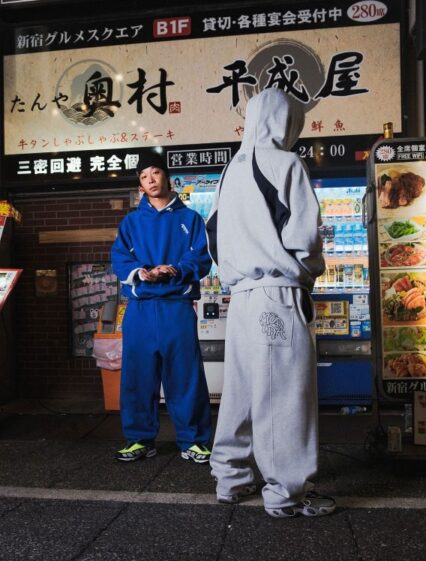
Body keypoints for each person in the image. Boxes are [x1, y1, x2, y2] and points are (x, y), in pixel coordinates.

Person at [206, 88, 336, 518]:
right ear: (286, 121)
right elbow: (304, 237)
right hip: (278, 295)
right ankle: (285, 493)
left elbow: (212, 234)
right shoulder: (286, 163)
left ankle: (230, 478)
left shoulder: (230, 169)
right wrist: (307, 272)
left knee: (241, 392)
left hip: (241, 297)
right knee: (284, 394)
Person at [111, 151, 212, 464]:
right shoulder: (131, 222)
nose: (150, 180)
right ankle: (139, 439)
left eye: (155, 173)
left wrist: (177, 270)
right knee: (137, 377)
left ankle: (193, 441)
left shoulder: (190, 219)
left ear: (168, 177)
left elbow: (201, 257)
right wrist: (143, 272)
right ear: (140, 185)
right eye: (144, 176)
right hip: (140, 309)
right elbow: (120, 259)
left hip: (177, 306)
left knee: (185, 376)